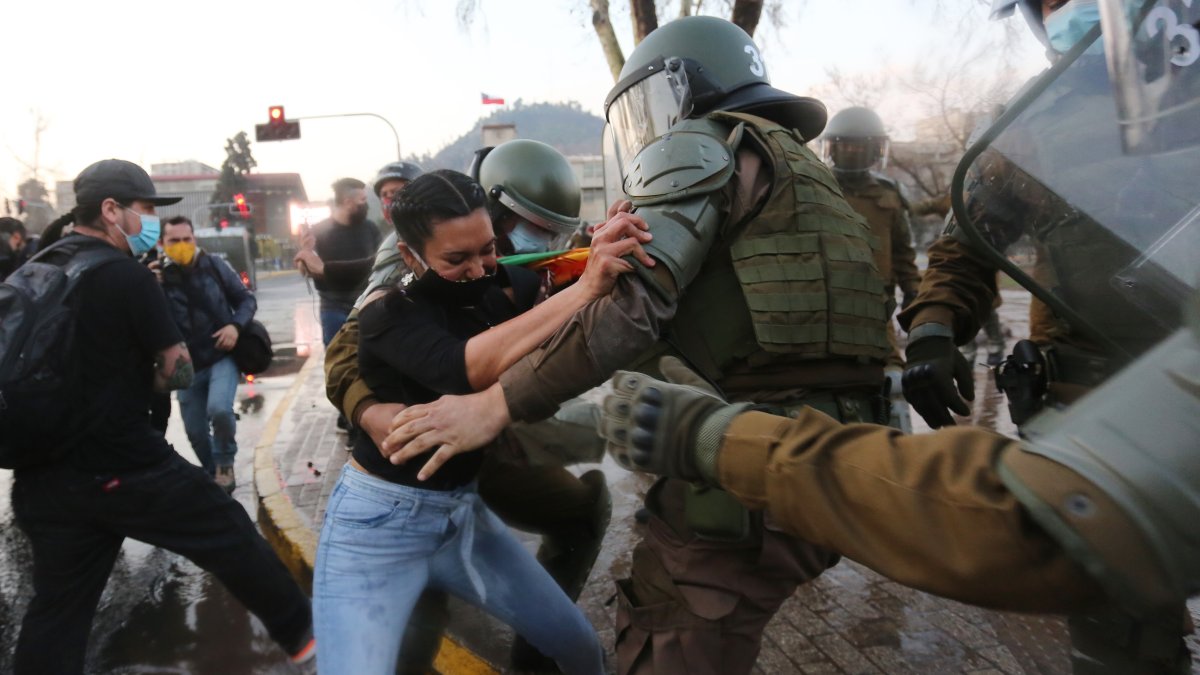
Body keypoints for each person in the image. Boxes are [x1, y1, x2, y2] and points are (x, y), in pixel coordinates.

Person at [383, 17, 895, 674]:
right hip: (839, 449)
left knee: (668, 639)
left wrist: (495, 406)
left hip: (750, 463)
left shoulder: (701, 145)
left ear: (683, 88)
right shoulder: (801, 169)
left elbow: (632, 306)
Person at [891, 0, 1197, 670]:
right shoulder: (1032, 121)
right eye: (1050, 3)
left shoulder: (1189, 78)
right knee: (1117, 629)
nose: (1066, 11)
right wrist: (935, 330)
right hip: (1094, 406)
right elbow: (968, 247)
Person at [311, 169, 653, 675]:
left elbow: (554, 273)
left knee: (580, 651)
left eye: (488, 250)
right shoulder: (388, 310)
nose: (479, 269)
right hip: (377, 528)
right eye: (457, 259)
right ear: (410, 255)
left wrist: (597, 245)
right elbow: (463, 367)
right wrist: (365, 409)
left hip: (461, 517)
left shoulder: (494, 281)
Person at [10, 159, 314, 674]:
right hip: (125, 466)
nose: (150, 221)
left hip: (43, 479)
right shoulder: (124, 275)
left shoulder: (37, 267)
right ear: (111, 210)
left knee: (57, 612)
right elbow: (176, 369)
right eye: (145, 209)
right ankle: (311, 643)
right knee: (227, 530)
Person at [819, 106, 922, 429]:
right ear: (832, 148)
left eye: (859, 146)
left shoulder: (889, 196)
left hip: (875, 312)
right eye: (845, 145)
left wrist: (913, 293)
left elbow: (904, 253)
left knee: (893, 386)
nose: (851, 153)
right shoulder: (815, 189)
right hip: (823, 309)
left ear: (876, 150)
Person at [158, 215, 258, 492]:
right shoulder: (156, 278)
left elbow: (246, 299)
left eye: (186, 239)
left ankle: (225, 462)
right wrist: (151, 285)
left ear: (194, 239)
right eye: (174, 241)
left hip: (219, 356)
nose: (181, 245)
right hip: (185, 365)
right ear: (162, 243)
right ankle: (214, 474)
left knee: (219, 410)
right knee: (195, 432)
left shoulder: (215, 266)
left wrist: (235, 327)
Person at [294, 177, 381, 346]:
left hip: (367, 305)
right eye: (362, 200)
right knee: (339, 365)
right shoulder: (318, 231)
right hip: (333, 308)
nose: (366, 205)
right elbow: (304, 271)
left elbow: (380, 264)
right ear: (348, 202)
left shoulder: (370, 228)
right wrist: (306, 251)